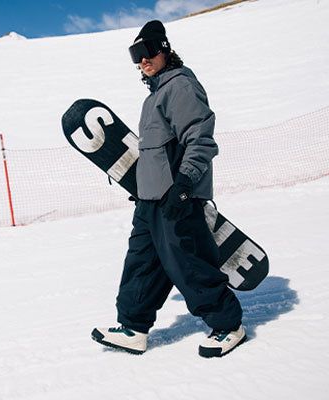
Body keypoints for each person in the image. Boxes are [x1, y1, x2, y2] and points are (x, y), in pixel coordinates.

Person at [91, 20, 245, 358]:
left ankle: (227, 324)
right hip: (150, 199)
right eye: (135, 56)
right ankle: (133, 327)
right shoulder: (154, 96)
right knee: (142, 263)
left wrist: (185, 184)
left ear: (163, 49)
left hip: (176, 195)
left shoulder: (181, 87)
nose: (142, 61)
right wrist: (145, 186)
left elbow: (200, 139)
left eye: (146, 52)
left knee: (188, 262)